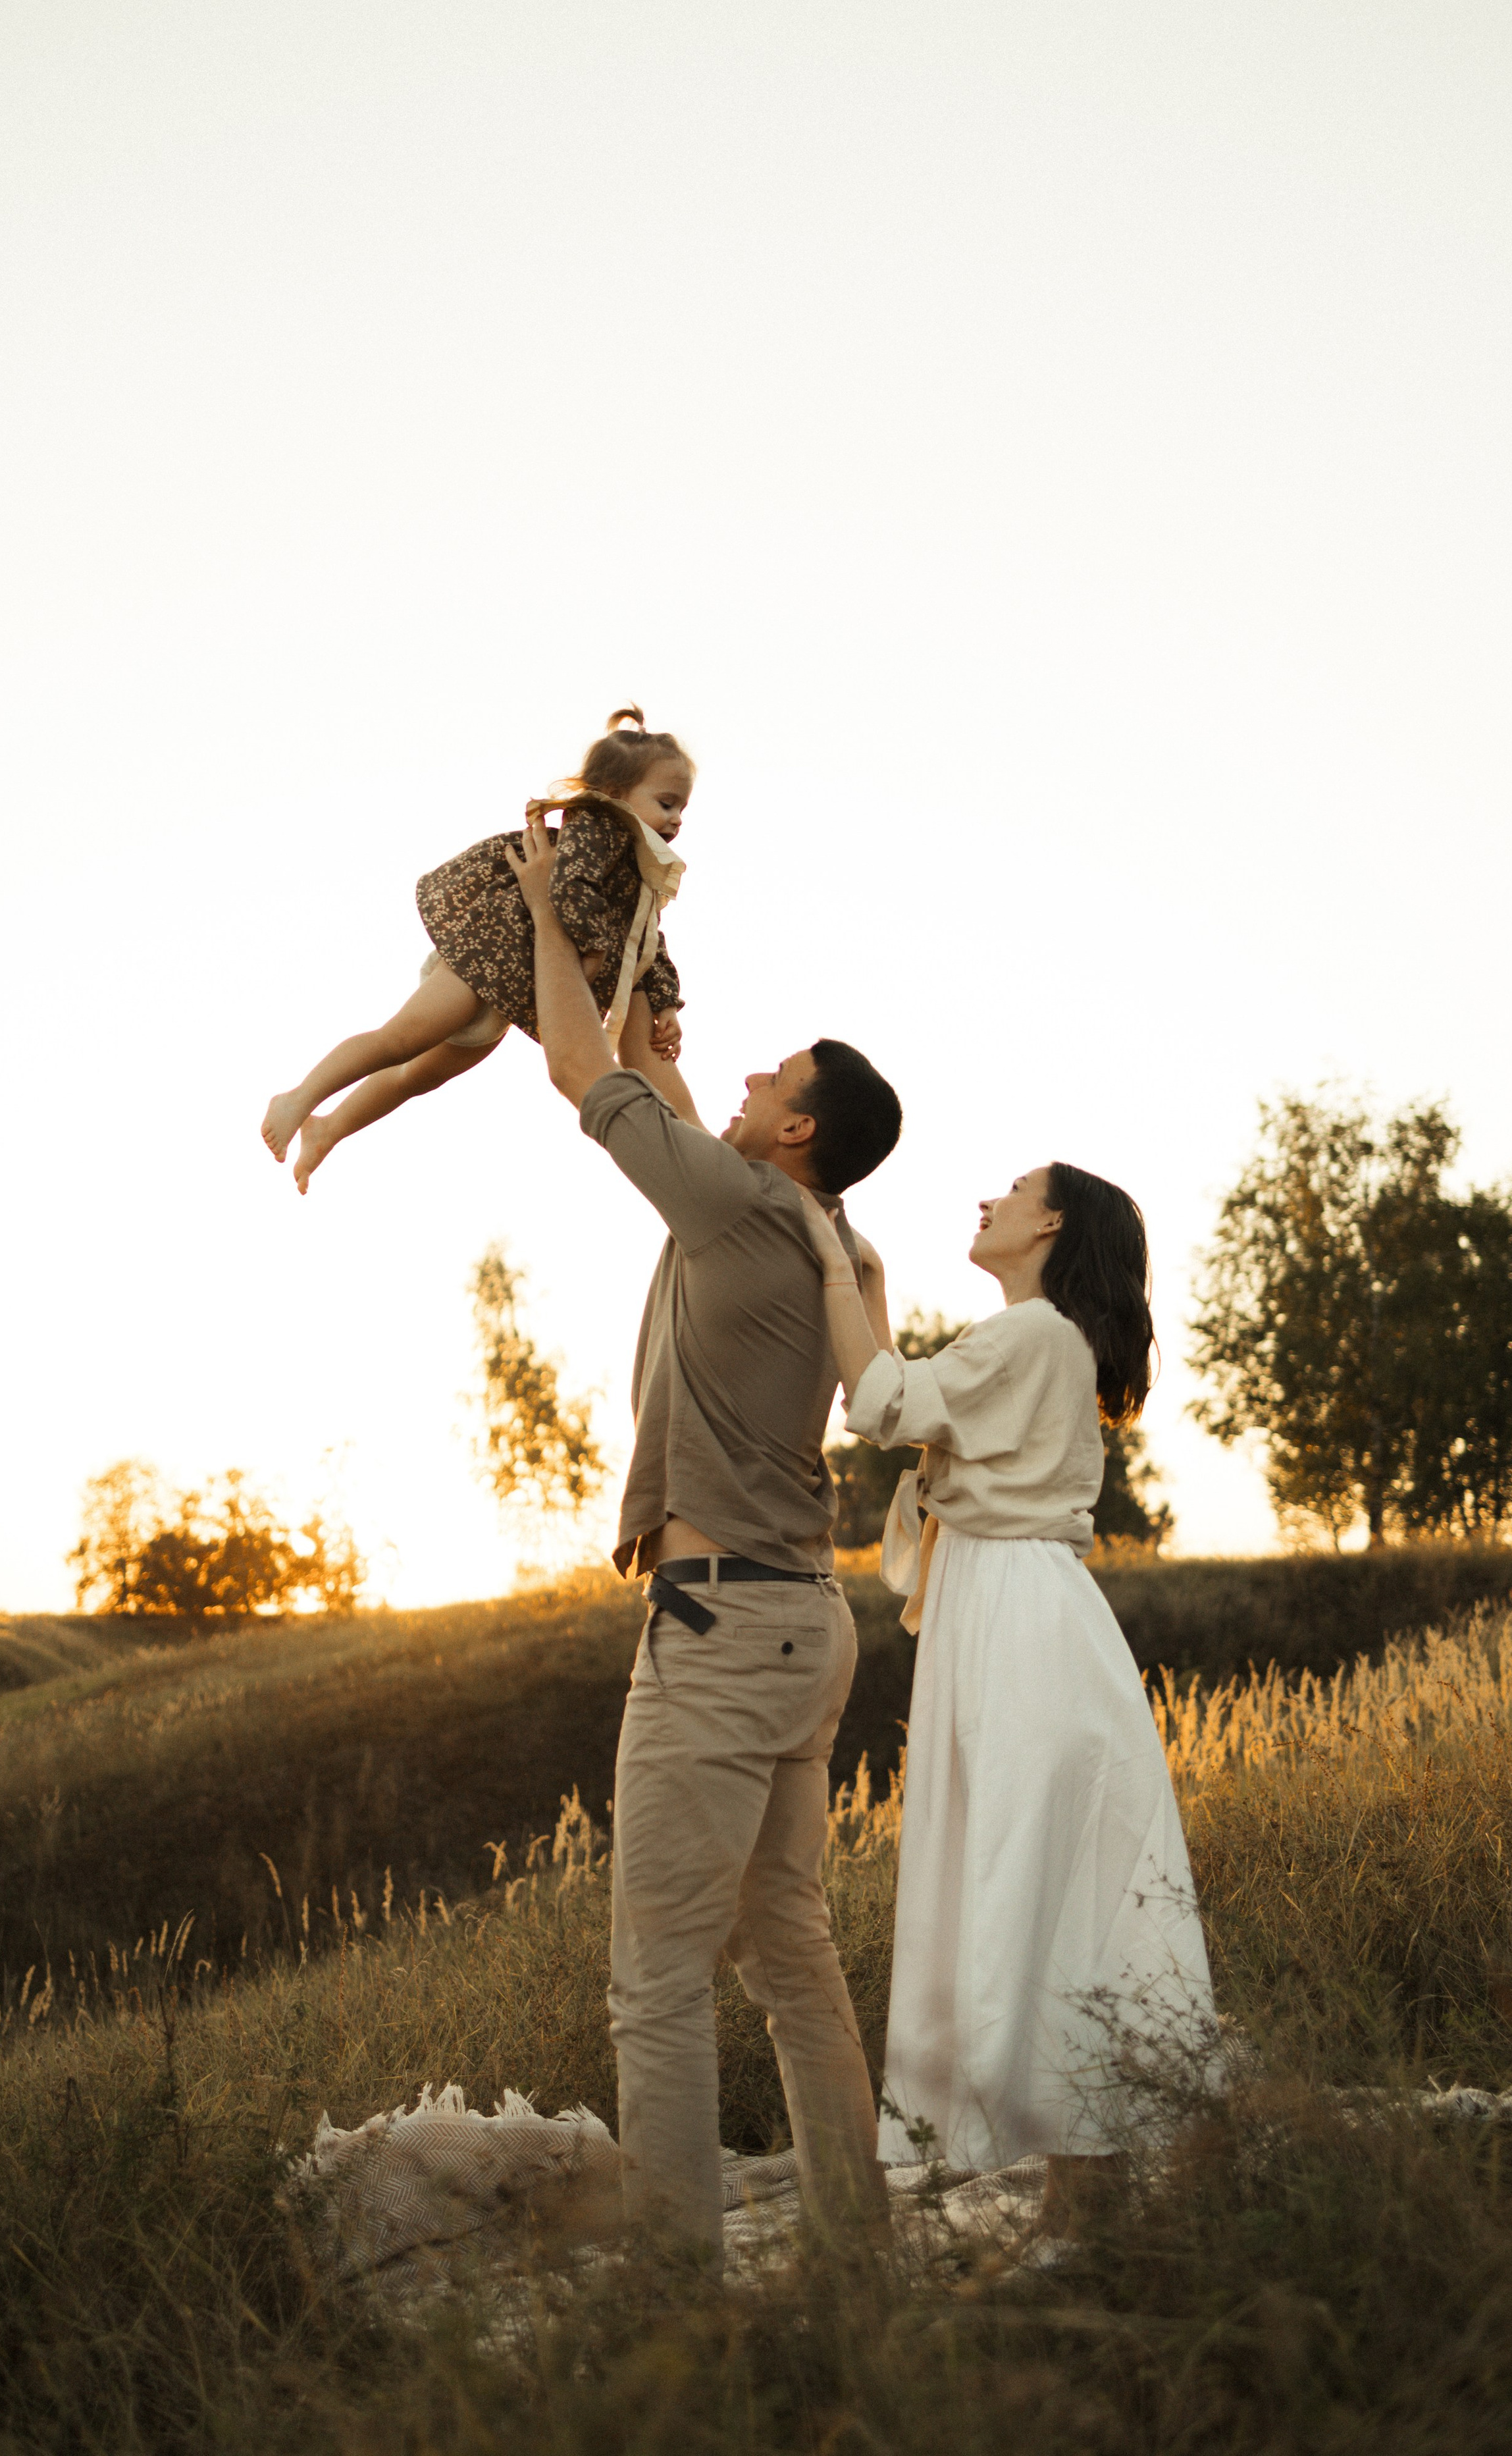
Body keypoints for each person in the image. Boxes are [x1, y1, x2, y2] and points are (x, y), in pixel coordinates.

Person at [507, 808, 903, 2259]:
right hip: (807, 1626)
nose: (740, 1071)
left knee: (657, 1979)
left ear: (792, 1129)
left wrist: (548, 912)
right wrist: (647, 982)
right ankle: (857, 2255)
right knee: (790, 1955)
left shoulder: (737, 1209)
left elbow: (574, 1069)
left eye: (770, 1075)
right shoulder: (829, 1241)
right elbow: (655, 1082)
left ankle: (673, 2307)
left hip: (720, 1631)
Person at [798, 1163, 1217, 2226]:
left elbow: (884, 1406)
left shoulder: (1031, 1336)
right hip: (1029, 1615)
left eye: (1016, 1188)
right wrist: (873, 1294)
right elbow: (903, 1397)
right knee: (1058, 1903)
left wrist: (830, 1271)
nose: (989, 1199)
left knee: (1026, 1882)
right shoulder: (1042, 1344)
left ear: (1054, 1223)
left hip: (1020, 1627)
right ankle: (1088, 2215)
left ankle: (1081, 2217)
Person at [259, 707, 694, 1192]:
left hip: (512, 986)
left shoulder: (639, 869)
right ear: (616, 794)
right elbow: (570, 885)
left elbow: (647, 941)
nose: (676, 819)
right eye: (666, 803)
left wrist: (665, 1002)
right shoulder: (601, 827)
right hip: (490, 954)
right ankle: (299, 1097)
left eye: (682, 809)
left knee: (419, 1075)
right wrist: (592, 949)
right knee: (401, 1039)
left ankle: (327, 1129)